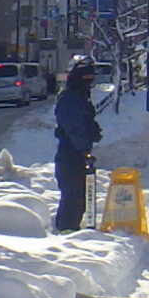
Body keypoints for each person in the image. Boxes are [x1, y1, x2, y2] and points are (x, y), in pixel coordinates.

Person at [52, 55, 101, 233]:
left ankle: (70, 232)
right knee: (73, 197)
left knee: (79, 197)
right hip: (70, 155)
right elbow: (74, 127)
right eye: (85, 76)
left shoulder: (79, 98)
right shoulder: (70, 99)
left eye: (91, 76)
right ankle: (66, 234)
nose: (89, 80)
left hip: (76, 155)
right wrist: (84, 147)